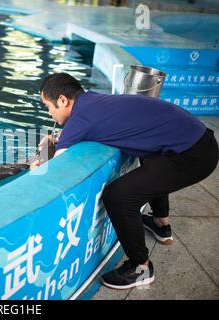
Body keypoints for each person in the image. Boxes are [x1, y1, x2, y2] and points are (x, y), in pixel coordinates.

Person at [30, 72, 218, 289]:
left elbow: (55, 171)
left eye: (48, 106)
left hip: (193, 156)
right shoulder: (93, 101)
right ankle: (161, 225)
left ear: (63, 100)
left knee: (118, 196)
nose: (49, 113)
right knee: (151, 155)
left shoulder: (79, 118)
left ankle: (140, 267)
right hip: (200, 141)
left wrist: (41, 155)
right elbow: (90, 129)